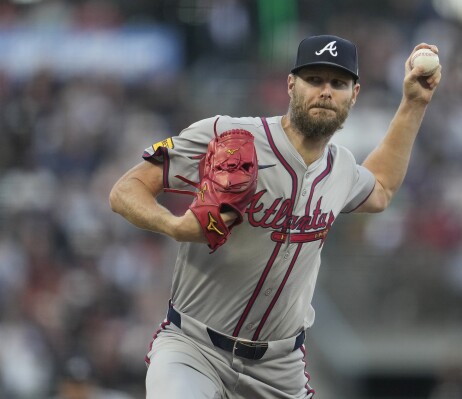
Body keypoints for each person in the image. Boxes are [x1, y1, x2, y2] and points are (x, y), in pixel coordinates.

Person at [109, 34, 442, 399]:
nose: (326, 91)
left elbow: (381, 189)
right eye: (314, 79)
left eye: (338, 83)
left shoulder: (341, 168)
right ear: (290, 85)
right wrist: (173, 226)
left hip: (279, 370)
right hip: (193, 350)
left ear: (355, 93)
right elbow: (126, 190)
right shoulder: (230, 135)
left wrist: (413, 103)